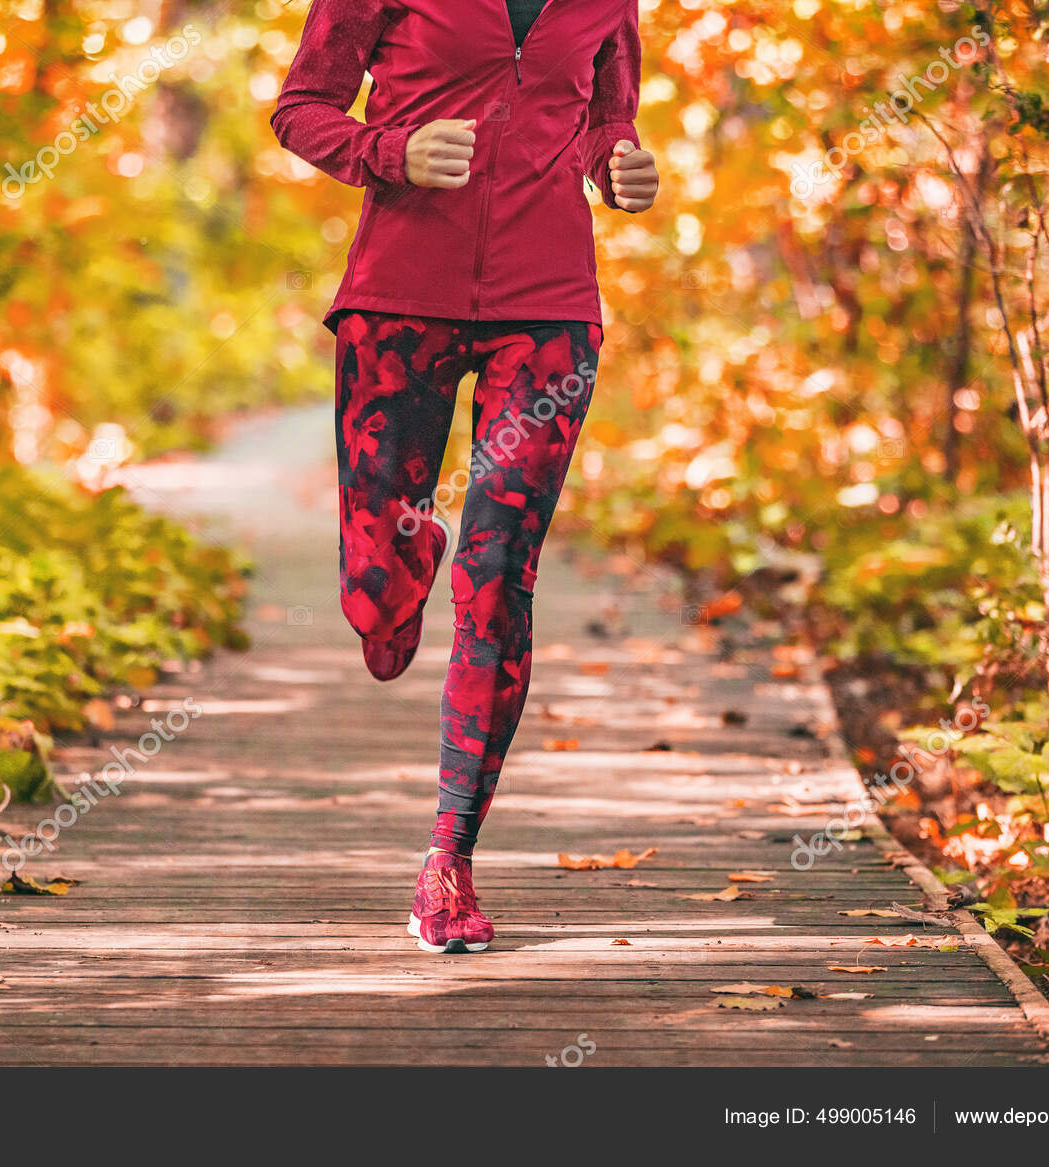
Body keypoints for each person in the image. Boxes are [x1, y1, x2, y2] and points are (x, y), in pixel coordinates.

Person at [271, 0, 658, 954]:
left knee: (500, 574)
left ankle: (450, 857)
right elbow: (301, 107)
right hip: (399, 296)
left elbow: (607, 120)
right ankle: (394, 569)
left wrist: (623, 166)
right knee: (378, 588)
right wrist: (389, 151)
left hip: (550, 307)